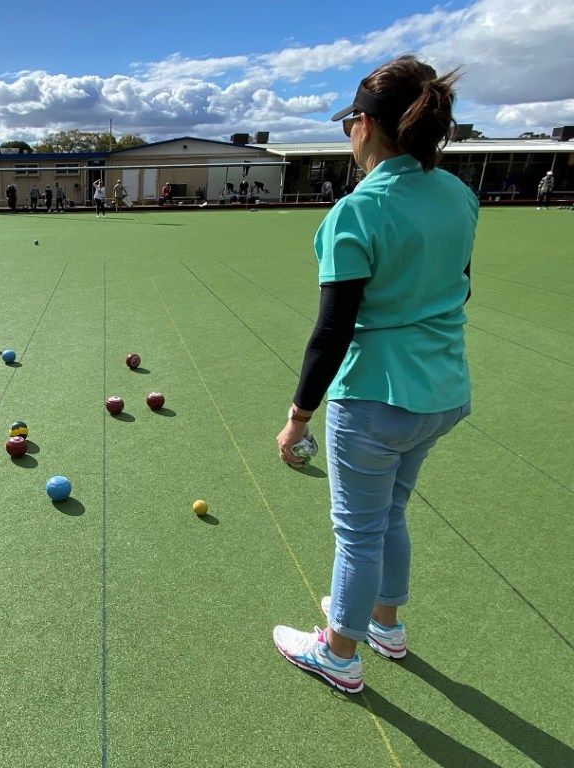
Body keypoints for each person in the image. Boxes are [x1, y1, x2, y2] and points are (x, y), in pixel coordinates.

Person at [272, 54, 478, 695]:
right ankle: (385, 624)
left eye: (348, 124)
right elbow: (462, 288)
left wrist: (297, 418)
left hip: (374, 400)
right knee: (391, 513)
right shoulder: (459, 195)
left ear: (364, 125)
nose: (348, 135)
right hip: (443, 393)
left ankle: (339, 652)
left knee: (358, 533)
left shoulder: (356, 212)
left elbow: (332, 331)